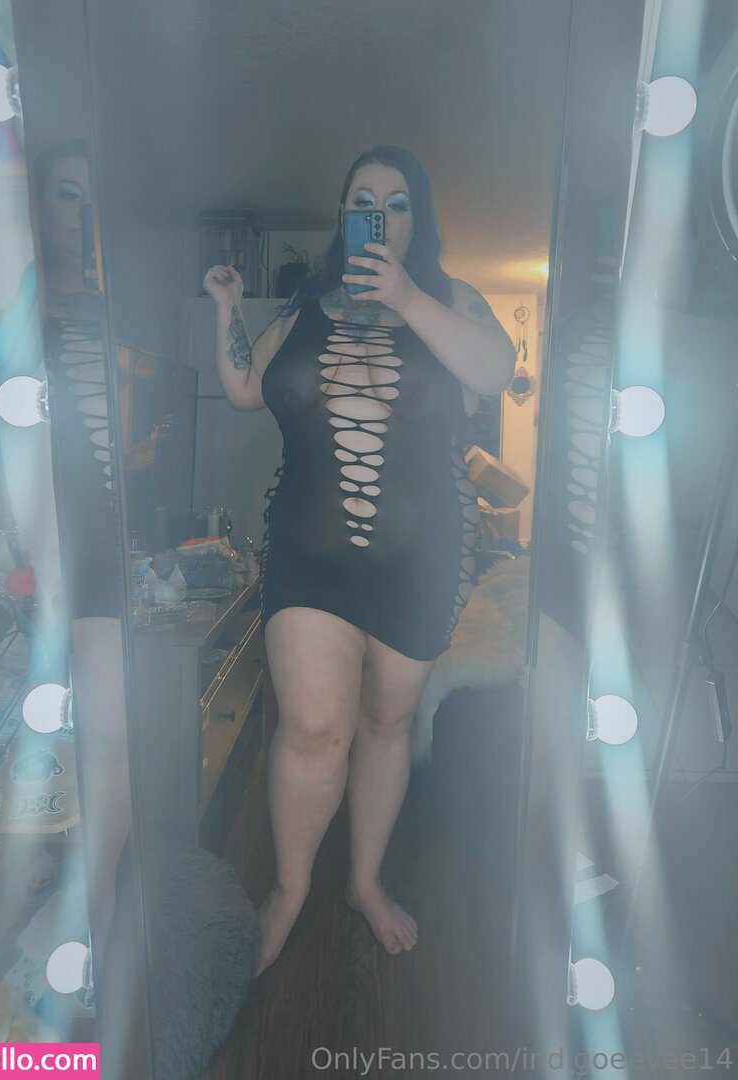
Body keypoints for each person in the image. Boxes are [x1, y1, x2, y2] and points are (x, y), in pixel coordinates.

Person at [203, 146, 516, 976]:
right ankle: (289, 891)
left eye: (397, 202)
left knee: (386, 725)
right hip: (307, 558)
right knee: (314, 730)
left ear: (417, 220)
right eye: (363, 200)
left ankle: (365, 882)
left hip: (420, 564)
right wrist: (226, 305)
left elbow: (497, 369)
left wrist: (406, 296)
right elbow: (243, 387)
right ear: (344, 217)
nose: (379, 214)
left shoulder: (452, 299)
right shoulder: (305, 306)